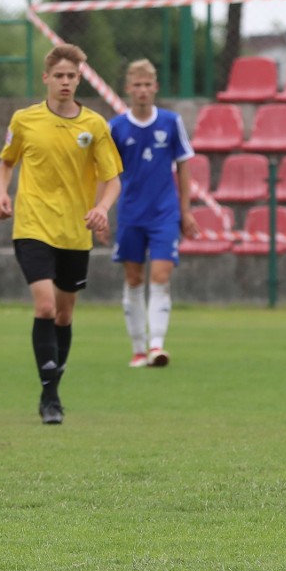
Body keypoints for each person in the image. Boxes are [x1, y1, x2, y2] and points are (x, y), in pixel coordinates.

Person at [0, 43, 123, 425]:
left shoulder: (94, 125)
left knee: (64, 316)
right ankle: (50, 398)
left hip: (74, 232)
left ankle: (52, 391)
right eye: (60, 76)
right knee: (46, 306)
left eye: (72, 76)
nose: (65, 82)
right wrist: (2, 194)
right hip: (32, 226)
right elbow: (6, 163)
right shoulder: (24, 120)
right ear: (47, 78)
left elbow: (112, 179)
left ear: (79, 80)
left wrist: (101, 208)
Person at [108, 59, 199, 368]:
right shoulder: (116, 127)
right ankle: (137, 348)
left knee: (160, 276)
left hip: (165, 213)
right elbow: (106, 173)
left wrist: (185, 211)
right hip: (131, 213)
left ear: (156, 88)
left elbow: (184, 166)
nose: (143, 90)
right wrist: (100, 209)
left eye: (148, 85)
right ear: (128, 89)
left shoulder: (171, 122)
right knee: (134, 279)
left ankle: (157, 346)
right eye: (137, 85)